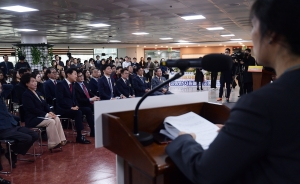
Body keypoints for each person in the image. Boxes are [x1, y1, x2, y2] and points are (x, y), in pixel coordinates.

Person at [166, 0, 300, 183]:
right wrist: (239, 133)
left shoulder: (260, 104)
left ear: (271, 35)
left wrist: (184, 140)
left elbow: (205, 172)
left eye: (254, 26)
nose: (252, 35)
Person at [21, 73, 67, 150]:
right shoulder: (26, 95)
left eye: (35, 81)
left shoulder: (38, 93)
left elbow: (45, 105)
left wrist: (50, 112)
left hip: (41, 116)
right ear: (26, 83)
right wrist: (46, 115)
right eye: (32, 81)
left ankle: (61, 140)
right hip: (33, 118)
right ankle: (53, 143)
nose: (35, 83)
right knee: (50, 121)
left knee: (56, 118)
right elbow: (32, 109)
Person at [0, 83, 38, 169]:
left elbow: (10, 86)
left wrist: (1, 84)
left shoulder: (1, 96)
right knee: (26, 138)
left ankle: (13, 152)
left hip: (12, 124)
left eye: (1, 88)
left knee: (34, 135)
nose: (1, 90)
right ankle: (12, 153)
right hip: (2, 129)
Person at [55, 68, 91, 143]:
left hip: (72, 107)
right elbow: (60, 100)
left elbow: (74, 99)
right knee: (78, 113)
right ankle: (79, 136)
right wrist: (71, 107)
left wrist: (76, 106)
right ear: (68, 74)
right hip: (63, 109)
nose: (76, 76)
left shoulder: (73, 84)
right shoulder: (60, 84)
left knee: (87, 109)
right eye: (75, 74)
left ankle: (93, 130)